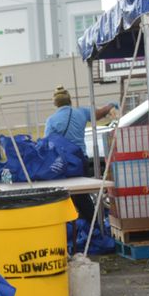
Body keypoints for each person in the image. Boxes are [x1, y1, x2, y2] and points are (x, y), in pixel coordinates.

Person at [44, 86, 117, 223]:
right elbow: (99, 113)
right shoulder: (81, 113)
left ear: (55, 103)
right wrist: (111, 105)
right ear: (70, 100)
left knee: (66, 195)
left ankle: (80, 224)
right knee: (82, 195)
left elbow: (47, 143)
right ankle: (91, 224)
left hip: (62, 163)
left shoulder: (52, 120)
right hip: (80, 159)